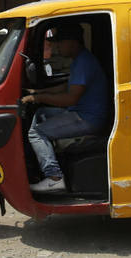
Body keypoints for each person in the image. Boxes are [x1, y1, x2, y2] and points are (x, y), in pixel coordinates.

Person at [22, 23, 108, 193]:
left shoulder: (83, 62)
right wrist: (38, 91)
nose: (56, 46)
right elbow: (66, 87)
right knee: (40, 113)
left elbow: (70, 98)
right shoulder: (81, 59)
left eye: (60, 42)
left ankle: (54, 178)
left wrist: (38, 97)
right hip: (81, 112)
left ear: (73, 42)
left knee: (36, 132)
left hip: (87, 118)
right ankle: (45, 157)